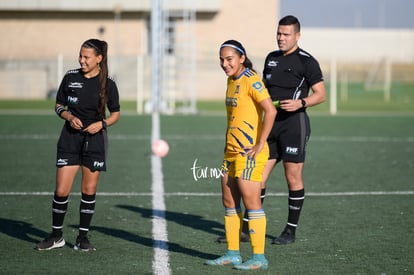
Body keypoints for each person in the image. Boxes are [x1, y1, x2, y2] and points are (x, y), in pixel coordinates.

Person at [36, 38, 120, 251]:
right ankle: (56, 236)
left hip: (95, 141)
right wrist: (68, 116)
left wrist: (101, 124)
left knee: (88, 190)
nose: (81, 60)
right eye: (80, 56)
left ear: (99, 59)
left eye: (86, 57)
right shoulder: (70, 77)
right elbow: (58, 106)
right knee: (62, 190)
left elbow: (116, 114)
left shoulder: (108, 83)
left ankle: (82, 238)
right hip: (69, 140)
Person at [205, 40, 276, 270]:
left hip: (249, 153)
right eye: (222, 60)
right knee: (228, 200)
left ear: (242, 58)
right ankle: (233, 253)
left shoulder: (251, 80)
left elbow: (271, 110)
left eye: (229, 59)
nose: (224, 64)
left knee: (252, 202)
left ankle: (259, 258)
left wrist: (260, 143)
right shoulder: (231, 80)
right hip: (231, 152)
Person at [263, 15, 326, 245]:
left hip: (294, 125)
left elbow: (321, 94)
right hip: (270, 124)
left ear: (297, 36)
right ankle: (248, 228)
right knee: (257, 178)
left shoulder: (307, 61)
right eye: (279, 33)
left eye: (286, 34)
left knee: (292, 178)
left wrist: (301, 103)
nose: (281, 38)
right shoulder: (271, 59)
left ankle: (290, 231)